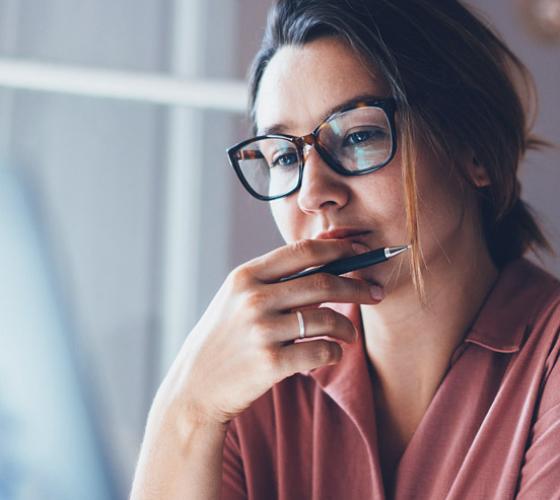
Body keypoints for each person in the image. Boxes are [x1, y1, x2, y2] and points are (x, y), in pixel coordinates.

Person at [130, 1, 560, 498]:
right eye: (285, 156)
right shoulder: (253, 377)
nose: (313, 193)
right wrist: (187, 408)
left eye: (358, 136)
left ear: (476, 150)